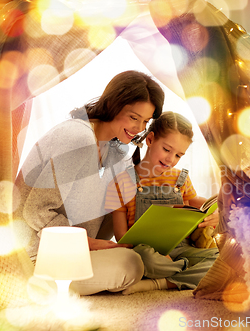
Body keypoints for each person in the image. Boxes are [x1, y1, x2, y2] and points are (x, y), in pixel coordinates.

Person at [14, 70, 165, 295]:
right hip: (37, 255)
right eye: (134, 117)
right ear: (113, 105)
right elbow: (36, 211)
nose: (139, 128)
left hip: (77, 249)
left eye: (145, 121)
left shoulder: (118, 150)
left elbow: (117, 212)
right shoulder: (78, 138)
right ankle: (38, 286)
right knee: (129, 265)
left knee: (146, 258)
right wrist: (90, 244)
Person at [104, 111, 219, 295]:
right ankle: (184, 273)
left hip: (182, 249)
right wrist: (156, 254)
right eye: (167, 150)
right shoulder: (121, 182)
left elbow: (195, 204)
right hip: (146, 252)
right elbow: (121, 236)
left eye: (178, 155)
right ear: (150, 140)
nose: (170, 159)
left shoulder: (180, 178)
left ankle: (160, 283)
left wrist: (216, 212)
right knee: (144, 259)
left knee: (219, 259)